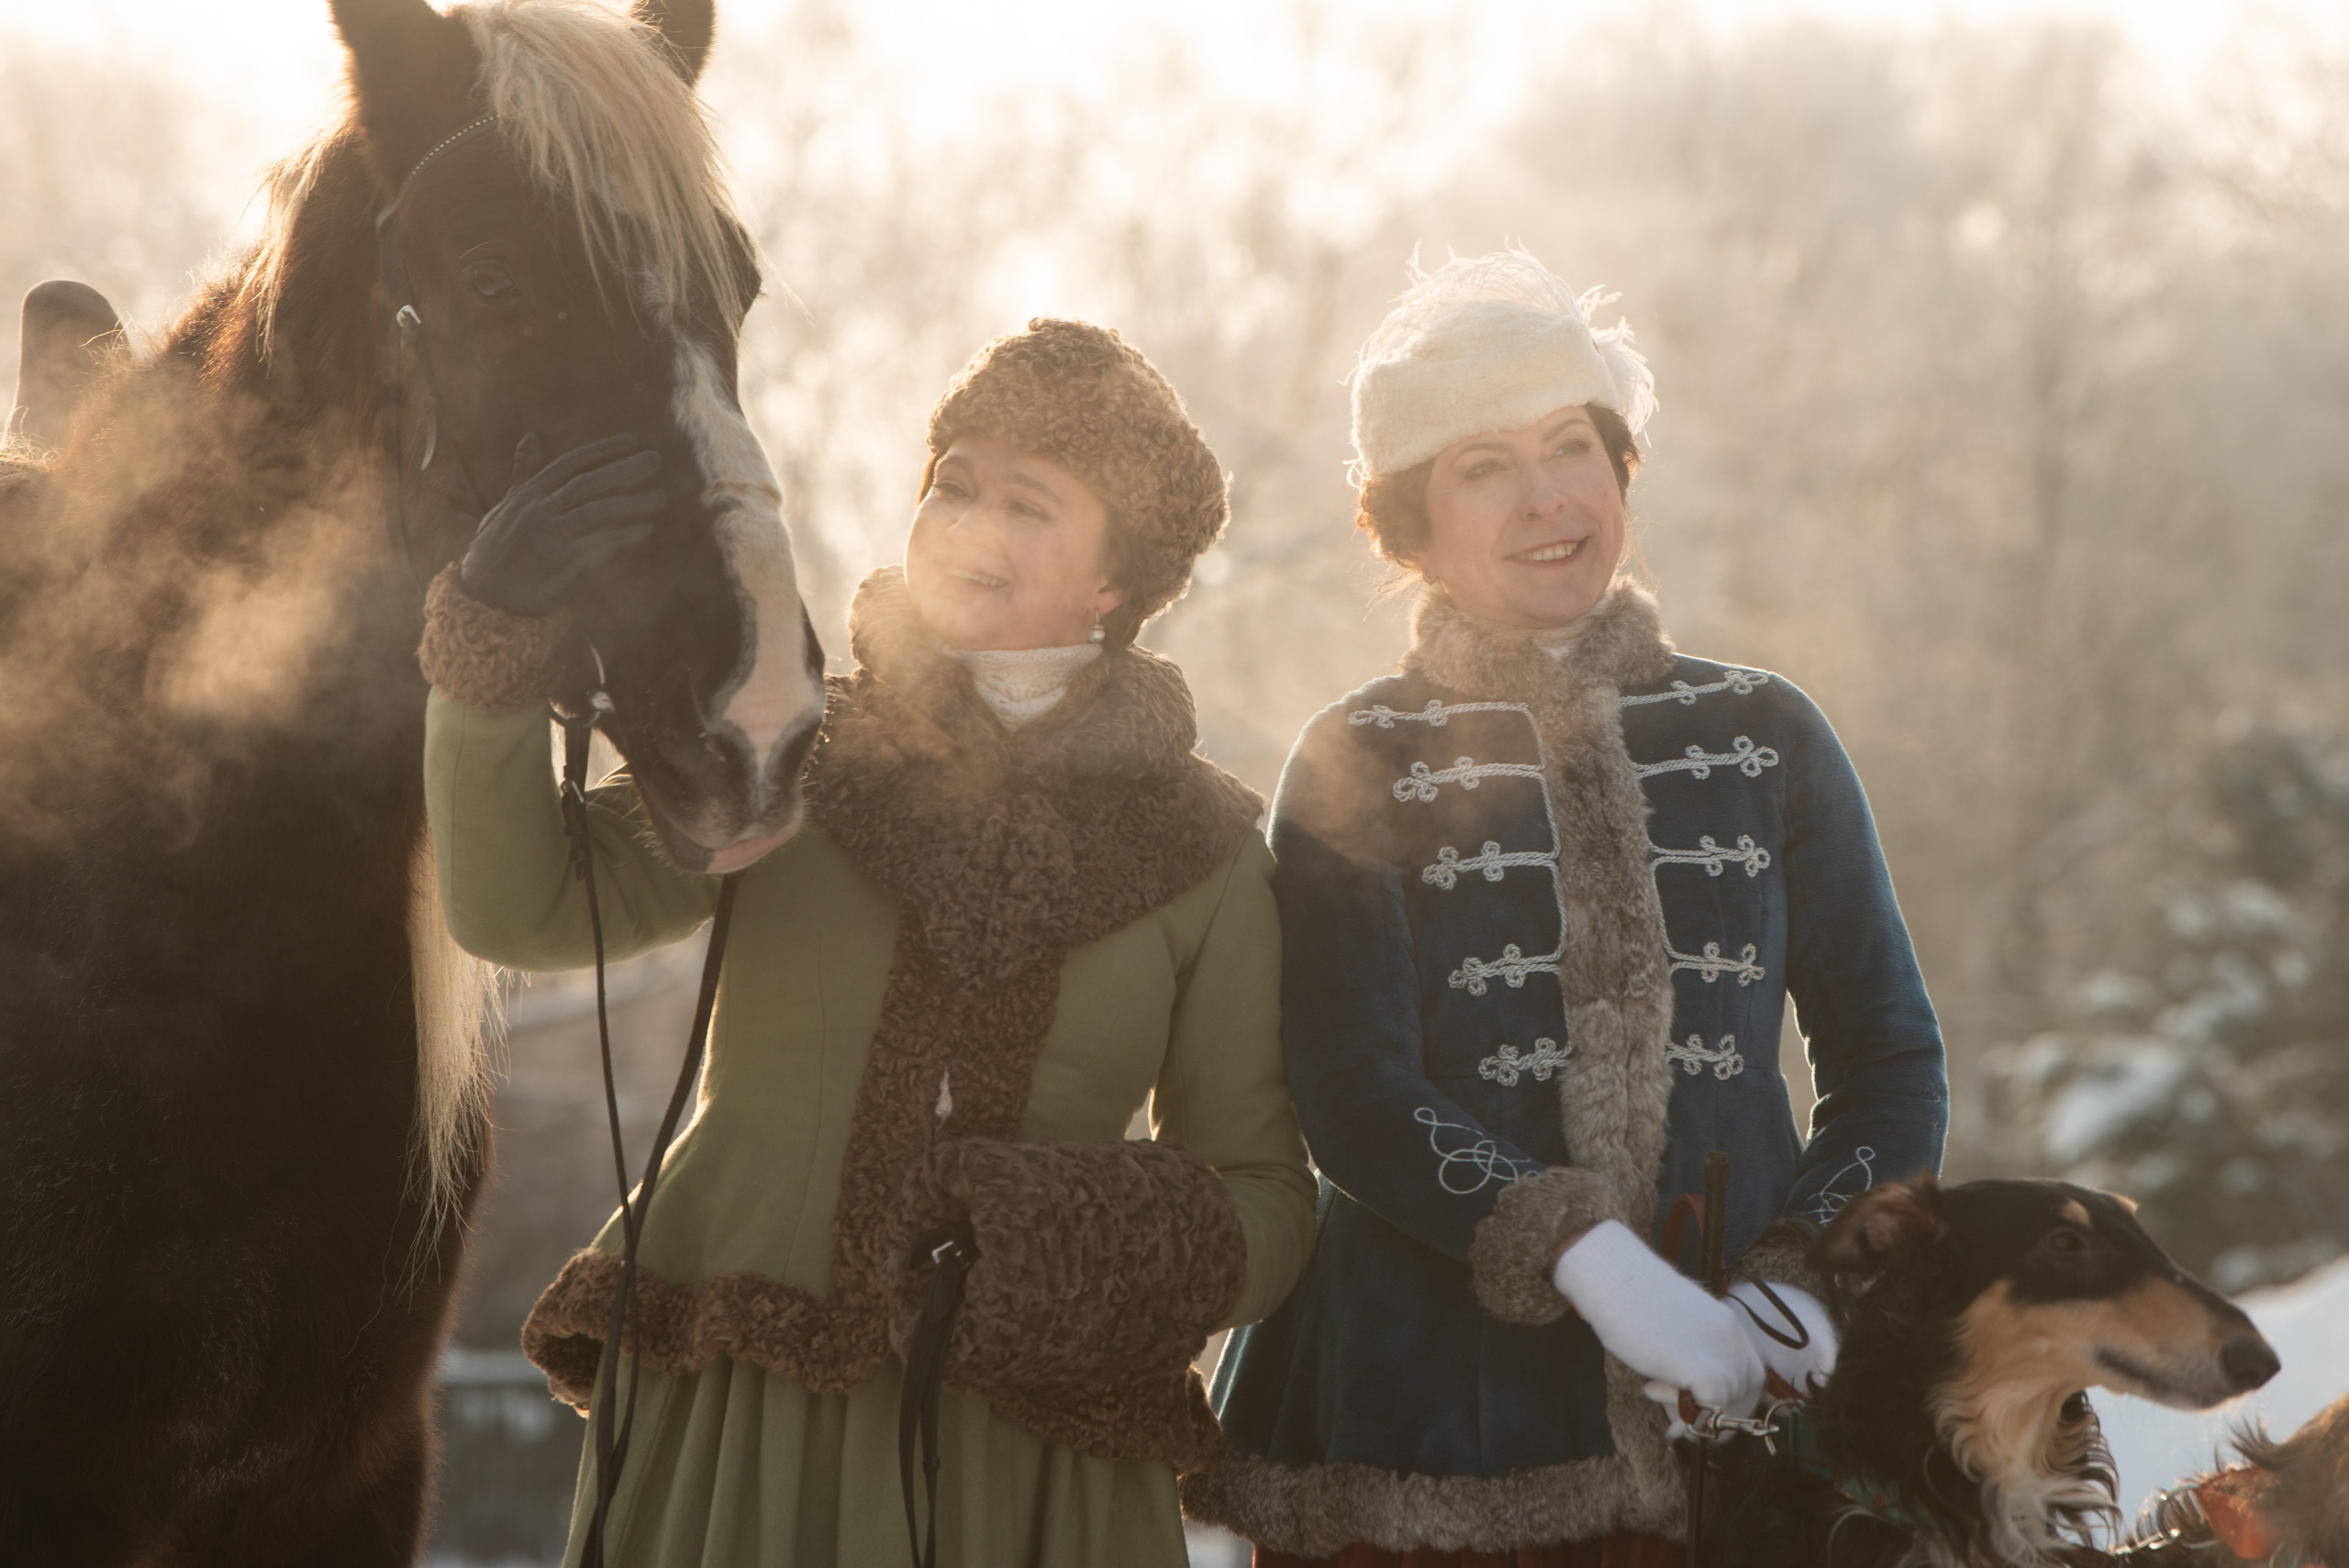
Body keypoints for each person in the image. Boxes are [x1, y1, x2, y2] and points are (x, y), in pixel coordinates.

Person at [417, 318, 1318, 1566]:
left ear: (1120, 578)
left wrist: (1080, 1237)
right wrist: (493, 648)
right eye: (953, 481)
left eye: (1027, 501)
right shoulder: (794, 747)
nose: (967, 520)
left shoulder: (1207, 849)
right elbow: (524, 905)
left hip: (1037, 1455)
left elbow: (1268, 1190)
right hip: (744, 1417)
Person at [1185, 252, 1950, 1567]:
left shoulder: (1768, 735)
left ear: (1622, 467)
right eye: (1484, 465)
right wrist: (1590, 1257)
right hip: (1417, 1433)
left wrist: (1804, 1285)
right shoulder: (1348, 752)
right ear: (1408, 522)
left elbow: (1888, 1061)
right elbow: (1347, 1088)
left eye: (1571, 445)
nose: (1547, 497)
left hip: (1735, 1434)